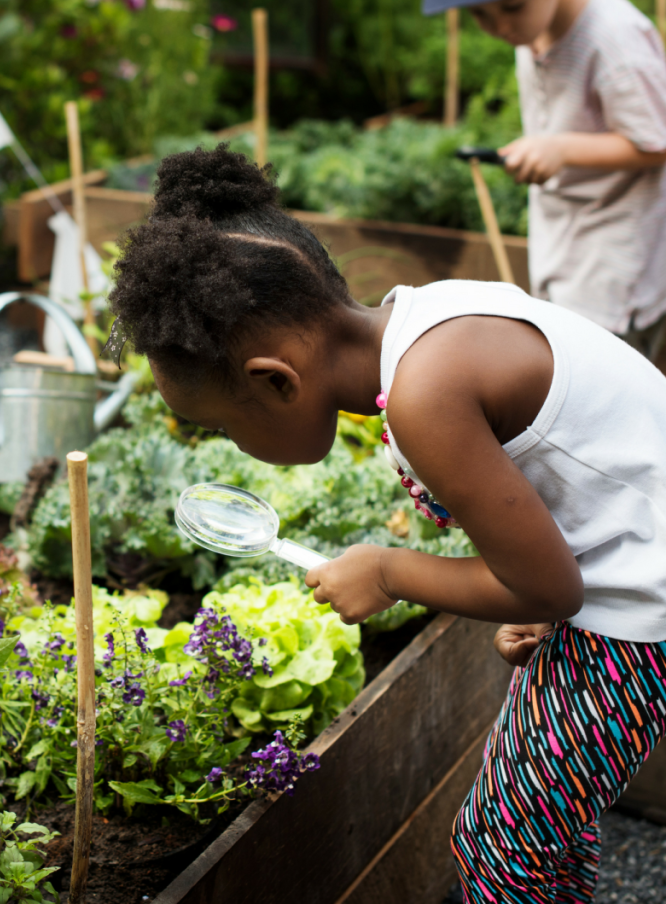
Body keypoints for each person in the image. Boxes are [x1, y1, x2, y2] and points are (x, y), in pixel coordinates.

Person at [108, 144, 666, 903]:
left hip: (643, 611)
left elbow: (544, 586)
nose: (233, 446)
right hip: (632, 572)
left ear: (274, 380)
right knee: (541, 831)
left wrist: (388, 571)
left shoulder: (423, 397)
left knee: (501, 845)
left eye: (223, 427)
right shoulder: (422, 320)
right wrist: (550, 610)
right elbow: (569, 515)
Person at [424, 0, 666, 358]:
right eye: (480, 15)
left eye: (511, 6)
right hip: (567, 246)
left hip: (617, 270)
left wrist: (561, 148)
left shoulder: (615, 41)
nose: (500, 28)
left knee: (602, 394)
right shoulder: (532, 27)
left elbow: (657, 141)